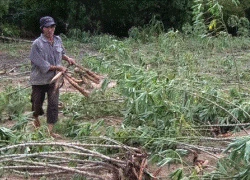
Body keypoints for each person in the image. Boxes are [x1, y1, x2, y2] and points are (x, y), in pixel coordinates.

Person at [29, 16, 75, 138]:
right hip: (39, 80)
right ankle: (36, 120)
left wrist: (68, 58)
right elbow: (41, 64)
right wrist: (58, 68)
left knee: (53, 104)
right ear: (42, 28)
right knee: (36, 104)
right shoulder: (37, 44)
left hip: (54, 79)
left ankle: (50, 131)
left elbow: (61, 53)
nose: (50, 30)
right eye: (47, 27)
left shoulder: (58, 40)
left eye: (52, 27)